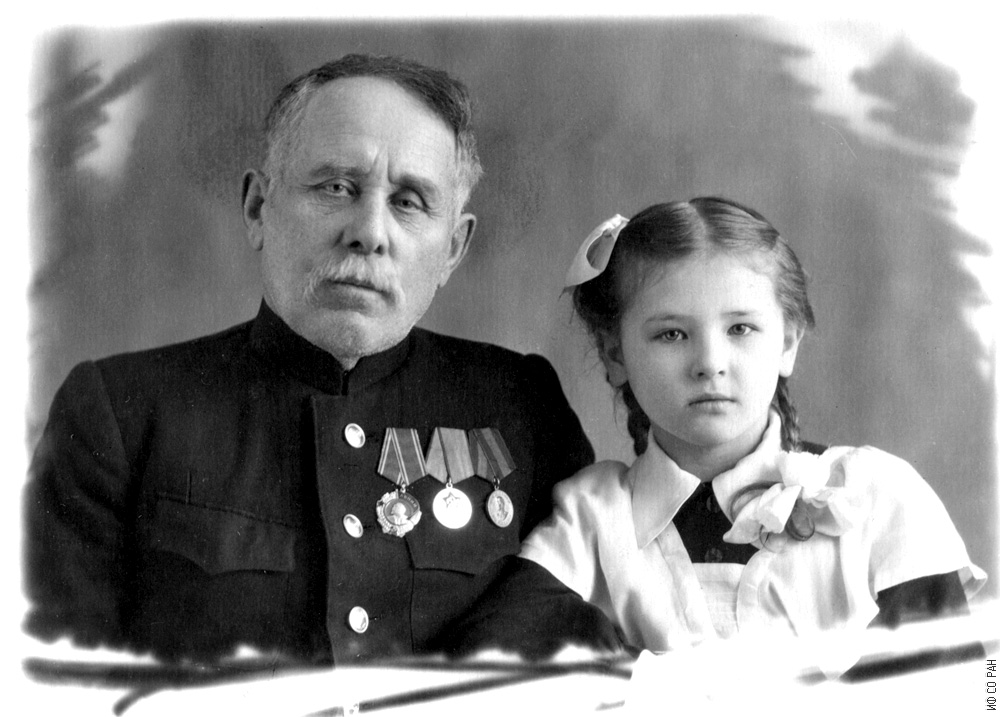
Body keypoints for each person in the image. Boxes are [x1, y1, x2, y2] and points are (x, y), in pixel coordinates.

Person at [23, 53, 620, 665]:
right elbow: (56, 683)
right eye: (337, 188)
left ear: (453, 249)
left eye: (409, 201)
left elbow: (592, 651)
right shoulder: (120, 415)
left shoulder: (523, 406)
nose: (370, 233)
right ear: (259, 208)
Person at [501, 197, 985, 676]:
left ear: (787, 343)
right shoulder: (590, 517)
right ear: (616, 355)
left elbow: (967, 691)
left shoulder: (876, 497)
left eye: (740, 328)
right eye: (672, 334)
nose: (710, 363)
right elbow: (506, 668)